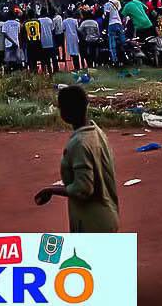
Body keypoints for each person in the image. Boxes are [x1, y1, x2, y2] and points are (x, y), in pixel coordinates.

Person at [34, 85, 120, 233]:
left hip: (92, 224)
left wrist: (51, 190)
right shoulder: (97, 132)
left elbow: (83, 189)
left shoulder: (79, 143)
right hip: (107, 217)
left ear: (66, 111)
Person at [103, 0, 124, 64]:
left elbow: (107, 16)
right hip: (119, 23)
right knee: (123, 41)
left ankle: (115, 59)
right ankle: (125, 56)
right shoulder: (117, 2)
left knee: (112, 43)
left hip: (111, 24)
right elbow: (120, 13)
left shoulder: (107, 4)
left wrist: (105, 27)